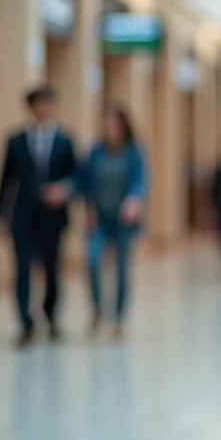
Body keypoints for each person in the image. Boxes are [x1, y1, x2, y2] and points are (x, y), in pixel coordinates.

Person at [0, 85, 77, 347]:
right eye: (38, 104)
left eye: (48, 103)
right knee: (22, 269)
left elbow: (75, 175)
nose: (43, 108)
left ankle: (50, 315)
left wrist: (63, 189)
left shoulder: (65, 140)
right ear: (30, 108)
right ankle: (25, 322)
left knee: (51, 269)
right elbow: (5, 179)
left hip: (52, 216)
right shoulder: (15, 140)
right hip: (22, 214)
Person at [75, 105, 147, 341]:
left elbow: (140, 182)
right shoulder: (96, 152)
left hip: (123, 220)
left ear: (124, 126)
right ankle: (97, 309)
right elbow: (83, 181)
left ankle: (118, 318)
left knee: (122, 269)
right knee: (93, 262)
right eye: (106, 125)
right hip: (99, 219)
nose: (110, 130)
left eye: (114, 125)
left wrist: (133, 200)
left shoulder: (133, 152)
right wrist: (87, 205)